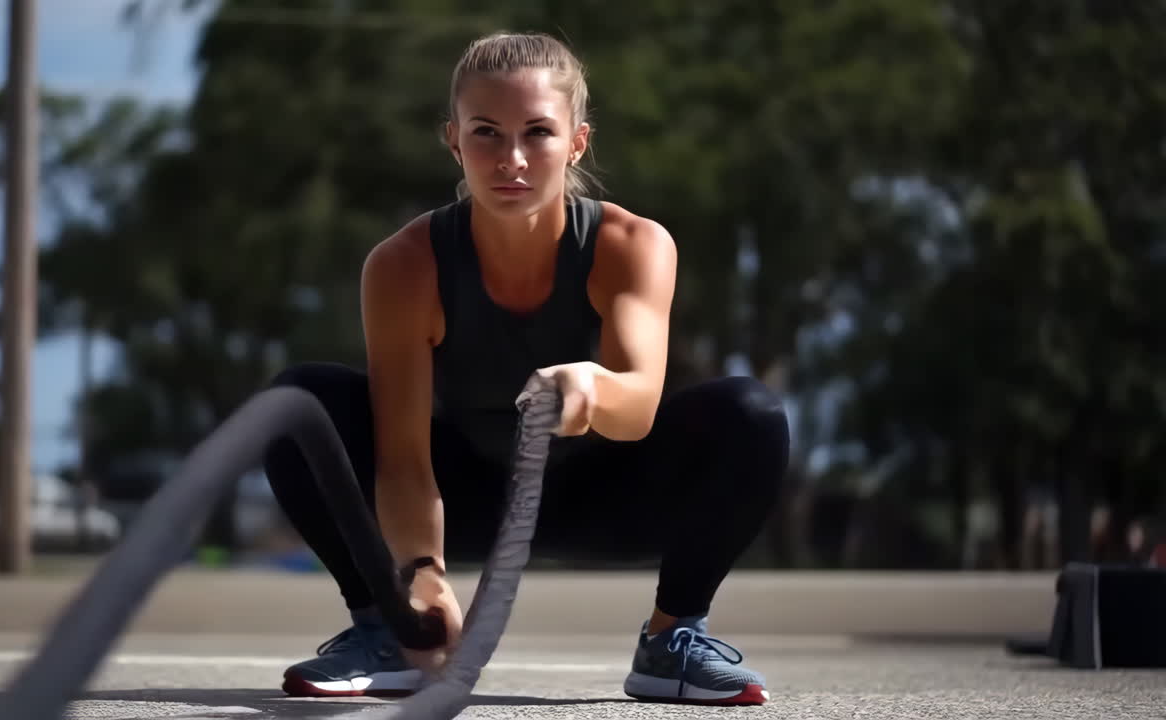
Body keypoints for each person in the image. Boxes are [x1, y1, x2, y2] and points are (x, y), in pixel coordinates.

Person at [262, 31, 789, 706]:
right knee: (300, 405)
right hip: (469, 495)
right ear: (453, 140)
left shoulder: (631, 244)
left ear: (577, 141)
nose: (511, 159)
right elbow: (402, 458)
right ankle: (387, 629)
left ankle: (672, 637)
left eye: (537, 132)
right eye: (486, 132)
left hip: (601, 494)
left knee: (752, 416)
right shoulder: (406, 264)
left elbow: (636, 412)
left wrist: (590, 388)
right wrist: (419, 575)